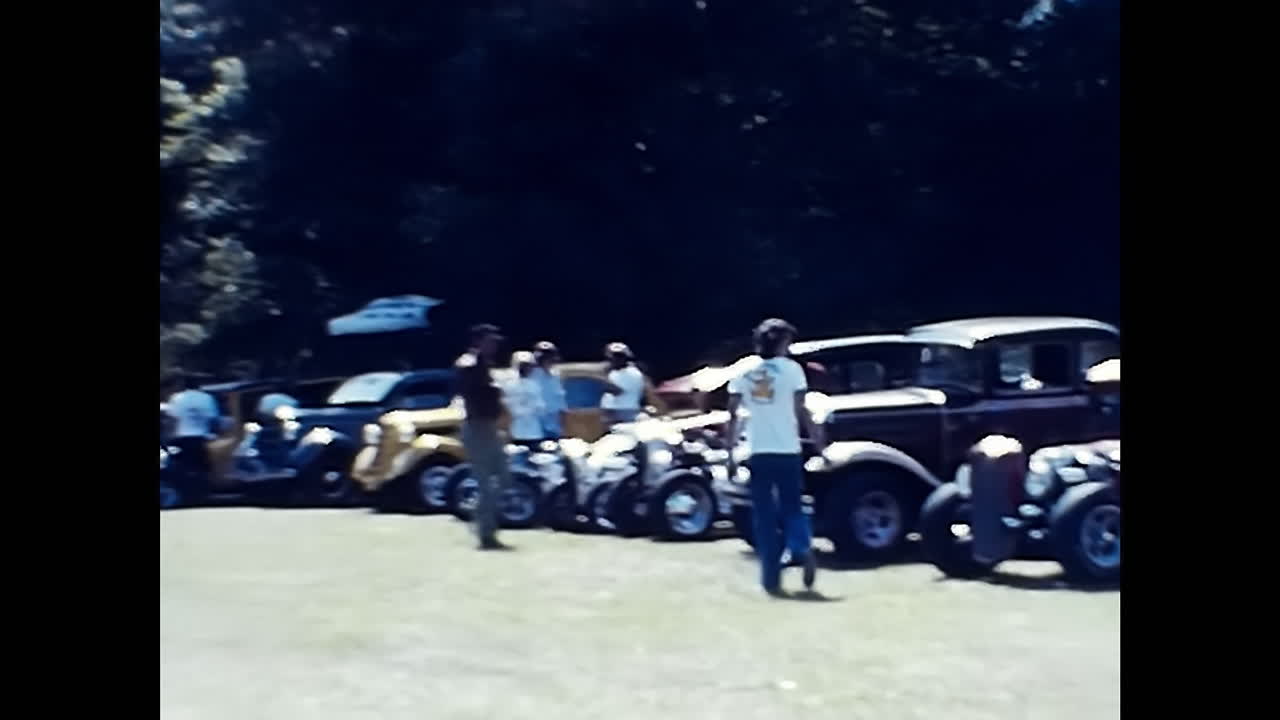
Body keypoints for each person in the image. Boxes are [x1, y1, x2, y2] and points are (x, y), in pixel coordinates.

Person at [725, 318, 827, 596]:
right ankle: (800, 546)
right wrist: (818, 444)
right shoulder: (792, 370)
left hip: (758, 450)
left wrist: (729, 452)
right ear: (783, 343)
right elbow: (801, 411)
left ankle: (771, 579)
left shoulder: (743, 370)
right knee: (792, 506)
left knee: (764, 516)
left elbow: (733, 415)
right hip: (788, 450)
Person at [455, 324, 511, 550]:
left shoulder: (484, 365)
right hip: (476, 428)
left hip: (489, 427)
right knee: (486, 484)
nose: (495, 345)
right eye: (490, 341)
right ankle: (486, 533)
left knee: (506, 477)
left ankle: (477, 512)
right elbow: (470, 382)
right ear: (478, 341)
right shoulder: (469, 363)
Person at [164, 373, 221, 479]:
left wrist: (168, 438)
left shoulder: (177, 398)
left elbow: (171, 420)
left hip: (181, 440)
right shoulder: (207, 398)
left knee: (179, 469)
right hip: (203, 440)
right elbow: (214, 420)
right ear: (199, 385)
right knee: (204, 470)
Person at [504, 351, 546, 448]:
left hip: (526, 432)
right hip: (524, 432)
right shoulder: (534, 386)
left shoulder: (509, 386)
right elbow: (540, 409)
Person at [600, 342, 646, 426]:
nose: (613, 359)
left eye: (618, 356)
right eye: (611, 356)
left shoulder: (632, 373)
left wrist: (600, 380)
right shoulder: (615, 372)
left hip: (624, 411)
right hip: (613, 411)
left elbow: (616, 391)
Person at [531, 341, 568, 439]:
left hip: (554, 426)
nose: (547, 360)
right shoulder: (531, 376)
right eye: (543, 357)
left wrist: (563, 421)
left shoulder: (555, 376)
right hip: (536, 427)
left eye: (549, 356)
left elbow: (560, 400)